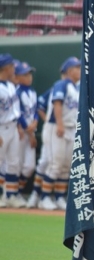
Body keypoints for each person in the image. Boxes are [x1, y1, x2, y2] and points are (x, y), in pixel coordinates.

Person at [44, 57, 81, 211]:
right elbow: (57, 103)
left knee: (66, 166)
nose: (80, 70)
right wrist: (60, 123)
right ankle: (45, 197)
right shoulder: (62, 84)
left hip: (71, 128)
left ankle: (59, 197)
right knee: (55, 164)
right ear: (70, 70)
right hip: (57, 127)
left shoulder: (76, 88)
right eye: (77, 68)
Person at [14, 61, 38, 203]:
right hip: (20, 132)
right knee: (16, 165)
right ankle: (12, 193)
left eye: (29, 74)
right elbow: (18, 114)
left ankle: (16, 192)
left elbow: (35, 111)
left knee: (29, 166)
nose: (29, 77)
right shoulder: (16, 92)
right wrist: (29, 130)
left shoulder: (32, 91)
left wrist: (35, 122)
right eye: (25, 74)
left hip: (30, 132)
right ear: (17, 77)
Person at [0, 54, 20, 208]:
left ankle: (10, 195)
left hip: (13, 127)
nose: (14, 69)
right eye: (12, 66)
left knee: (13, 162)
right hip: (2, 128)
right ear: (5, 68)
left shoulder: (11, 85)